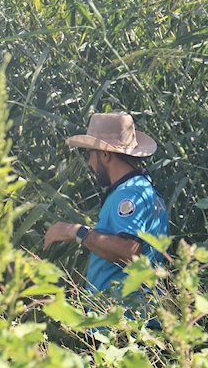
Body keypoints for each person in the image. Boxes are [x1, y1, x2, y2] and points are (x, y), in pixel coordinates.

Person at [43, 112, 169, 300]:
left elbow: (130, 251)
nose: (89, 162)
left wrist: (77, 232)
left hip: (122, 320)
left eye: (90, 154)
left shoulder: (128, 195)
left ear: (105, 155)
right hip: (136, 316)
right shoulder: (144, 189)